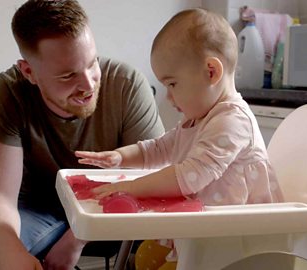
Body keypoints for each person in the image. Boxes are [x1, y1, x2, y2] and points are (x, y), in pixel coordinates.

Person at [0, 0, 165, 269]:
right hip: (40, 209)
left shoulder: (126, 84)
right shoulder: (10, 92)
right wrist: (11, 252)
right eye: (68, 76)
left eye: (92, 64)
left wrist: (78, 236)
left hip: (117, 204)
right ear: (29, 72)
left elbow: (155, 181)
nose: (88, 85)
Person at [75, 8, 284, 268]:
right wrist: (120, 156)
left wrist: (129, 188)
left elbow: (189, 175)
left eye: (172, 84)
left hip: (237, 243)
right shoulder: (199, 118)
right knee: (144, 256)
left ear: (211, 72)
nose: (169, 97)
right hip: (204, 228)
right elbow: (160, 148)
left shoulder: (232, 120)